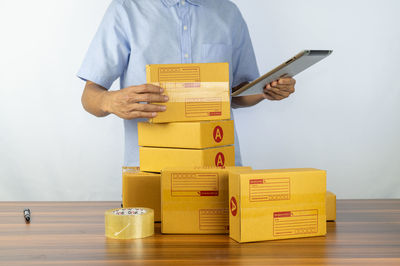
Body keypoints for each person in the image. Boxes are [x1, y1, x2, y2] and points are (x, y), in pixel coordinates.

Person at [78, 0, 295, 166]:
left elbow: (237, 96)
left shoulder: (228, 13)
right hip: (149, 168)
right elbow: (89, 97)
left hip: (218, 166)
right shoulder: (126, 10)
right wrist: (109, 101)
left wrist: (265, 91)